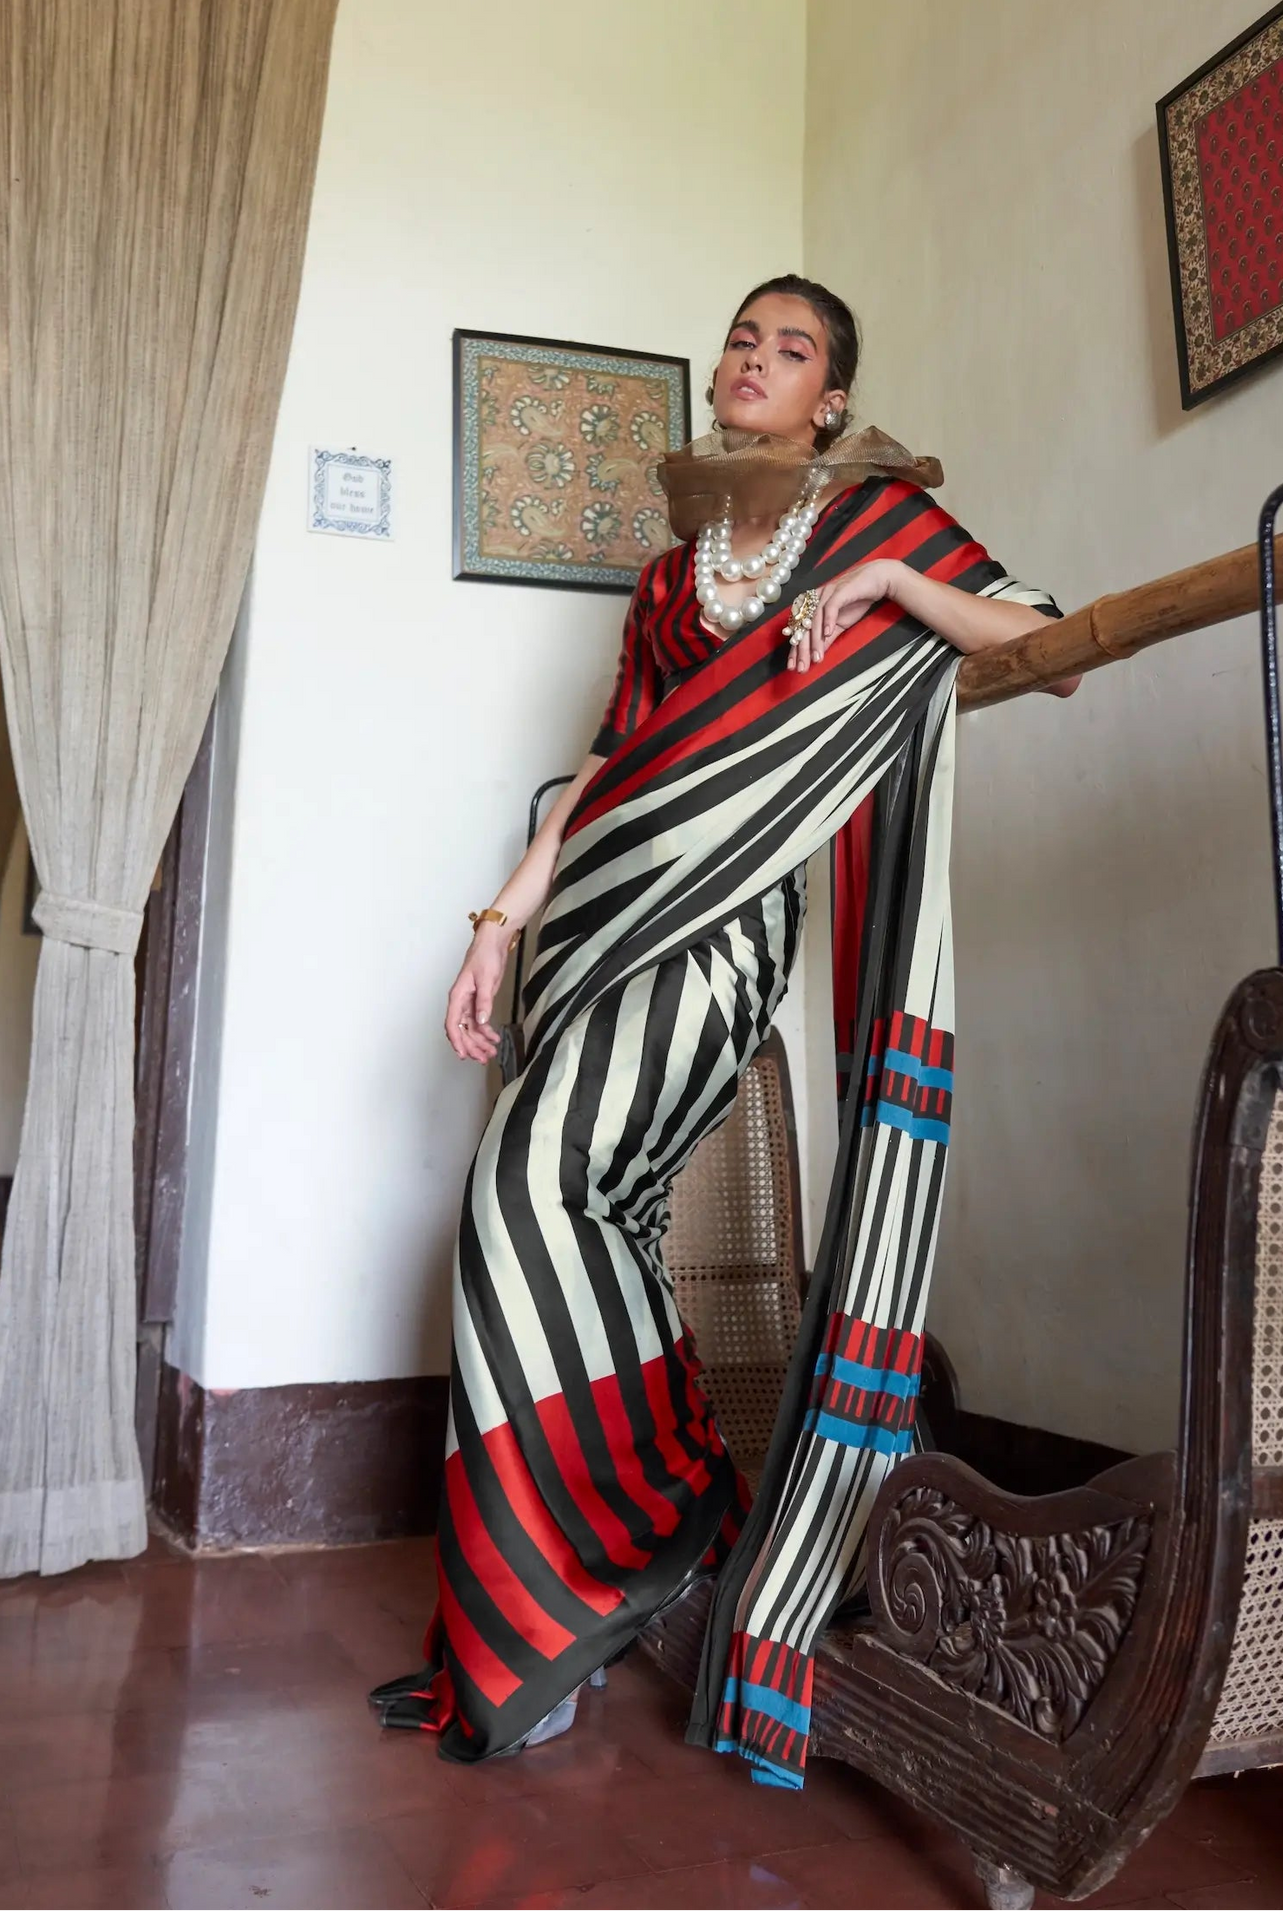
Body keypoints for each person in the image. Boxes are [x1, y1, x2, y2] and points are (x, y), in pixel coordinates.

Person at [372, 274, 1074, 1784]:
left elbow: (1045, 638)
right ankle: (614, 1558)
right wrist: (498, 923)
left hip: (722, 932)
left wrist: (893, 594)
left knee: (526, 1193)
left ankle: (634, 1534)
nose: (756, 359)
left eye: (793, 346)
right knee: (580, 1210)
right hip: (595, 917)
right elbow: (607, 769)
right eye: (743, 339)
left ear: (832, 397)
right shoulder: (670, 578)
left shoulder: (871, 525)